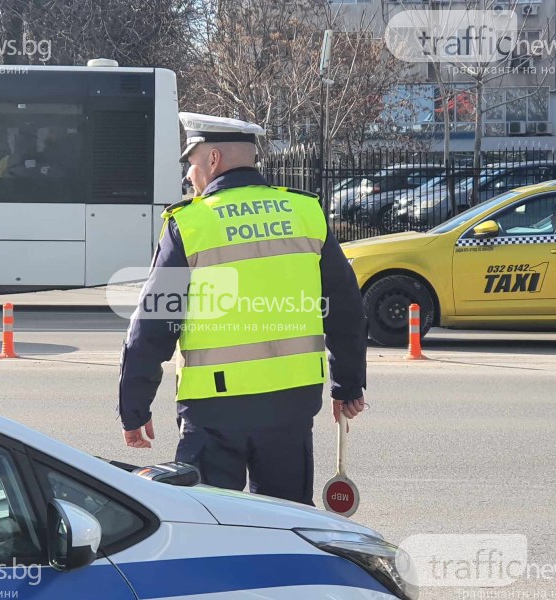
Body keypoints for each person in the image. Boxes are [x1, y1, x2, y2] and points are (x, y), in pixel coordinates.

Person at [117, 112, 368, 505]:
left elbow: (154, 324)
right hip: (291, 401)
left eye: (193, 163)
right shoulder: (304, 212)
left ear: (213, 160)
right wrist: (347, 385)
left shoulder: (192, 223)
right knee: (286, 524)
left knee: (210, 525)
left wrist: (134, 408)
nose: (189, 176)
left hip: (214, 409)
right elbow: (345, 308)